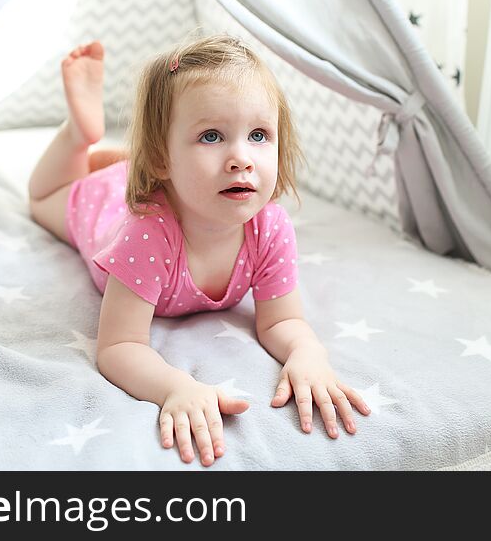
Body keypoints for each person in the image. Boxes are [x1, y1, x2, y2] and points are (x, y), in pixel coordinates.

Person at [28, 34, 370, 467]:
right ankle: (80, 135)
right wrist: (175, 386)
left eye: (259, 135)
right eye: (211, 136)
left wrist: (308, 354)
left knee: (124, 168)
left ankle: (122, 158)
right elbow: (119, 347)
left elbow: (282, 319)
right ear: (163, 160)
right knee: (43, 197)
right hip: (105, 208)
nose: (241, 158)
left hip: (161, 176)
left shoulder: (269, 227)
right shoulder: (147, 235)